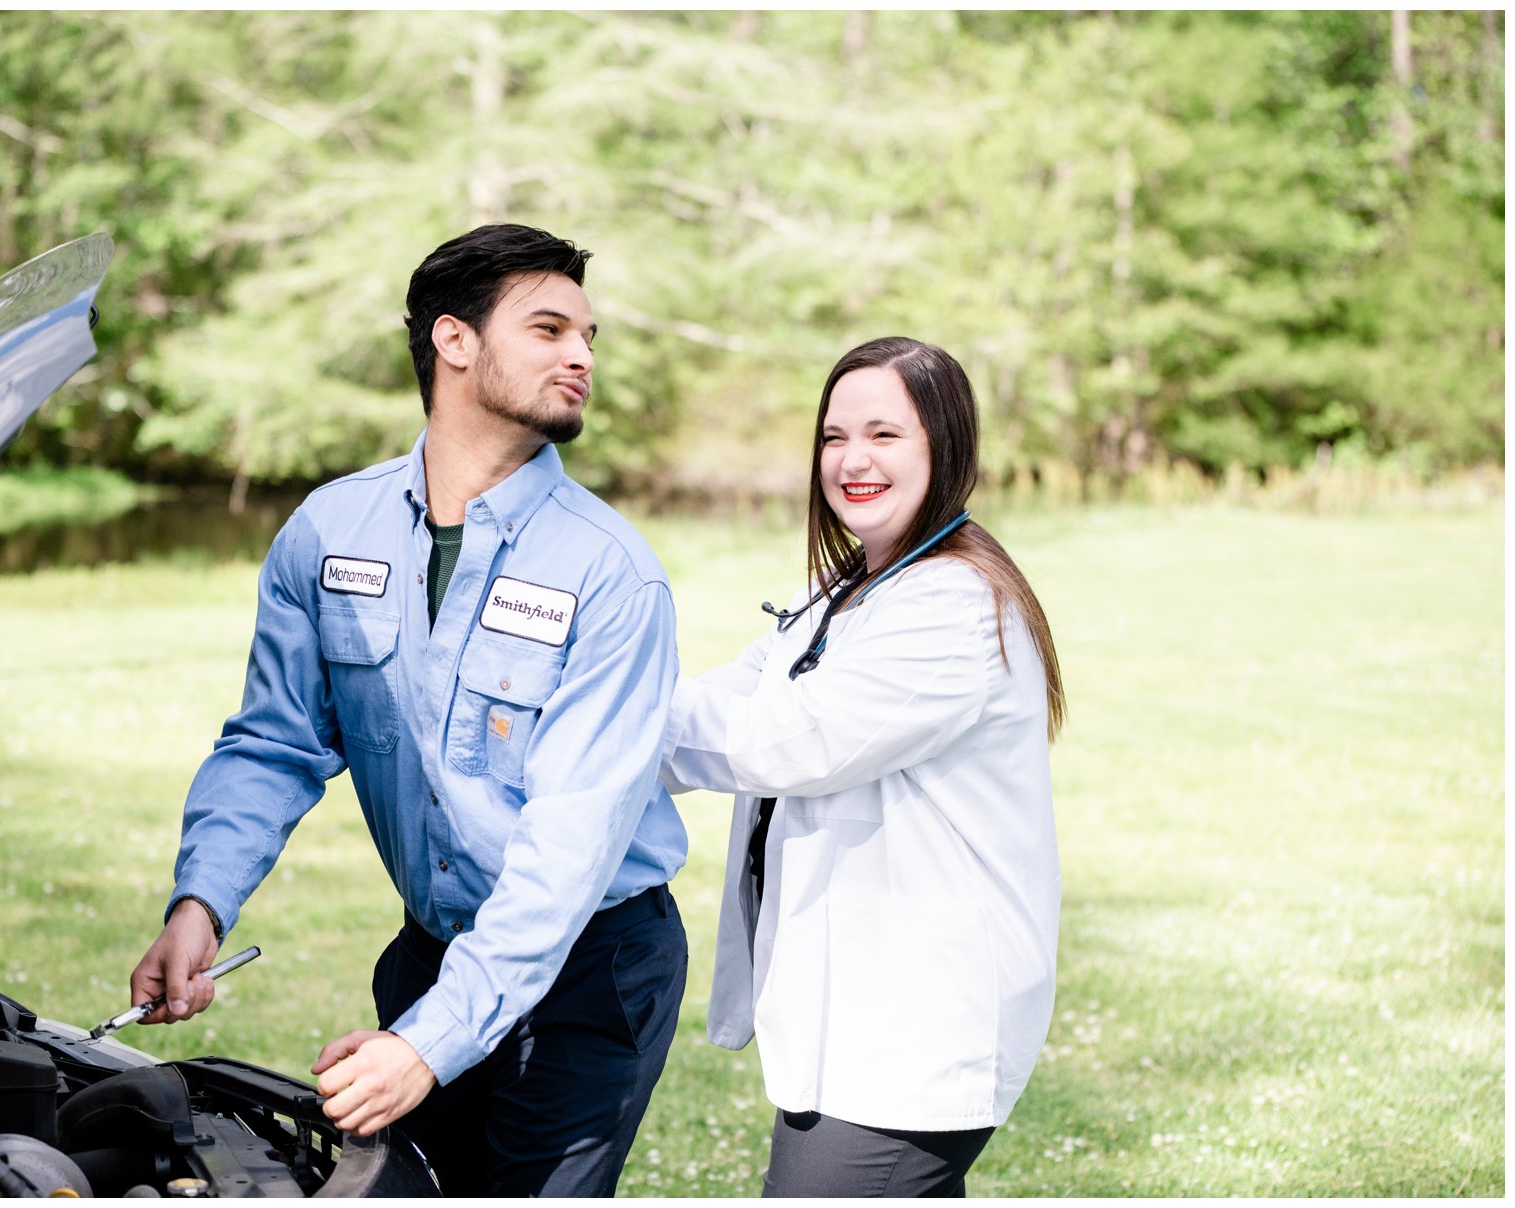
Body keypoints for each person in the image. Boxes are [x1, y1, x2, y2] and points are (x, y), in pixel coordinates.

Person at [126, 224, 690, 1197]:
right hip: (432, 952)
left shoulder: (613, 574)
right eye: (550, 328)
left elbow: (564, 858)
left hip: (591, 967)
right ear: (452, 340)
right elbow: (274, 739)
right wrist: (200, 902)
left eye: (589, 334)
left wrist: (426, 1045)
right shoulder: (329, 533)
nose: (583, 355)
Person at [660, 336, 1065, 1198]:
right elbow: (731, 696)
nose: (853, 460)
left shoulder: (953, 606)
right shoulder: (850, 591)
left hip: (912, 1033)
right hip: (860, 1023)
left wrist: (590, 720)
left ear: (944, 446)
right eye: (834, 437)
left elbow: (786, 740)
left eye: (885, 435)